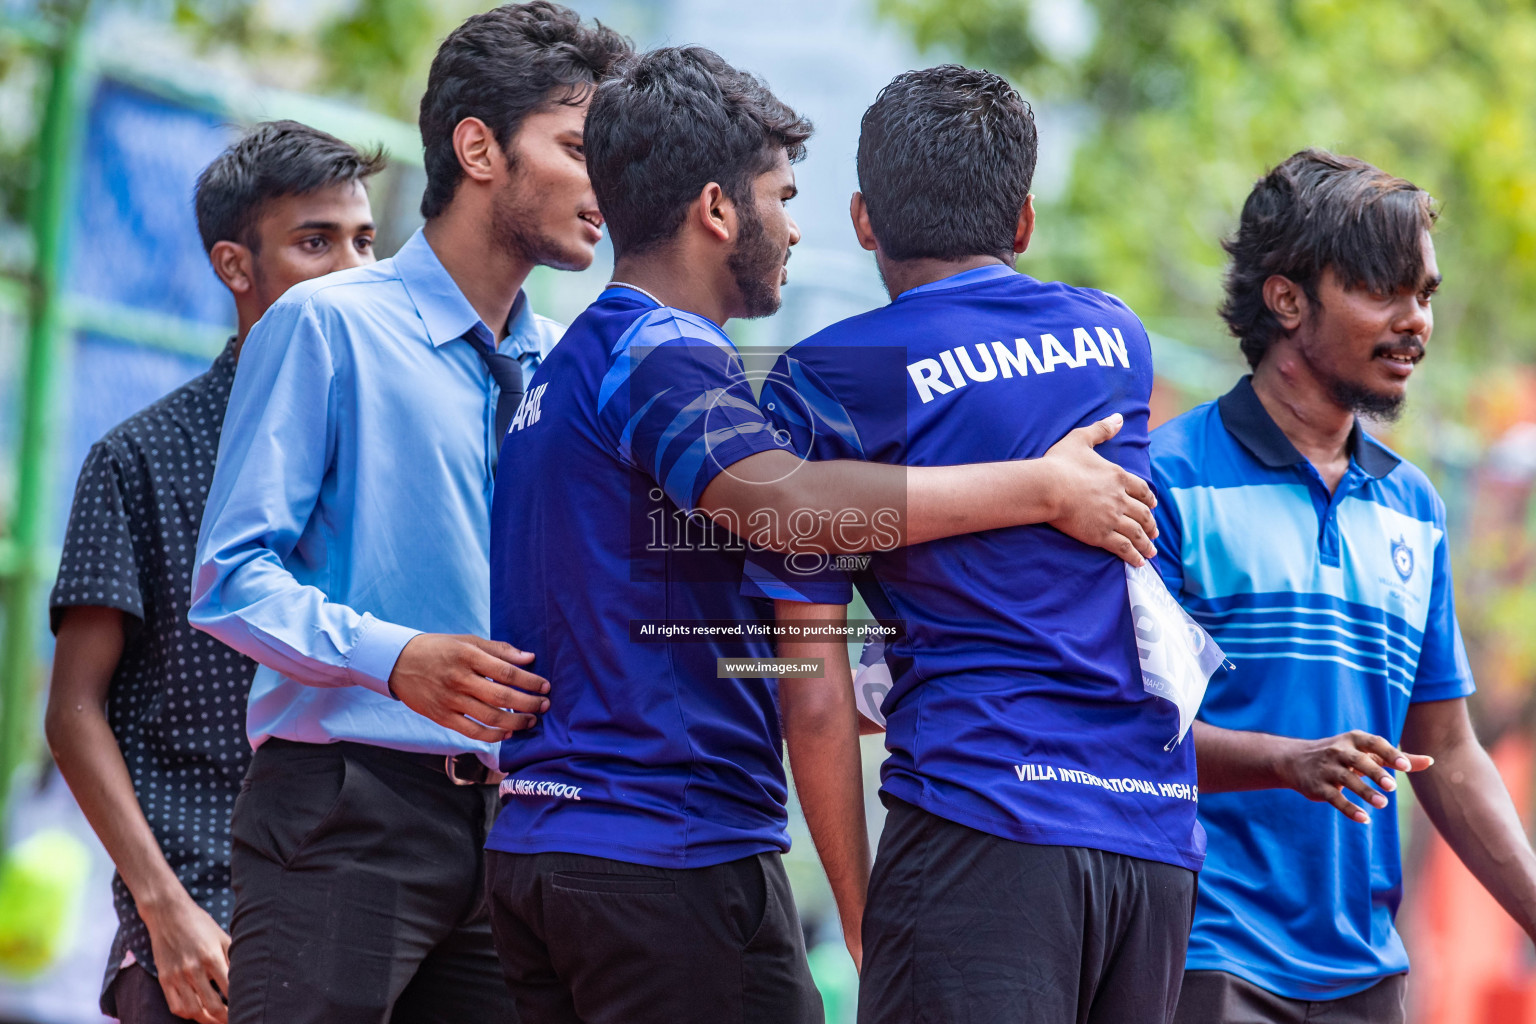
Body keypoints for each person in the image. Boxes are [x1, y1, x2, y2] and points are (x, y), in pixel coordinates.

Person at [482, 48, 1166, 1024]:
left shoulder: (568, 368)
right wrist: (1042, 486)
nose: (795, 226)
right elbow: (794, 508)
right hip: (666, 854)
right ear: (718, 210)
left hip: (553, 849)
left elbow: (676, 632)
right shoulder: (665, 360)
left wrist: (876, 669)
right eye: (780, 194)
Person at [187, 6, 630, 1021]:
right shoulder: (323, 325)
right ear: (478, 147)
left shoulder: (572, 366)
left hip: (520, 822)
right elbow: (230, 577)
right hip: (346, 807)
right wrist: (399, 657)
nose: (602, 184)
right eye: (576, 147)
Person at [741, 66, 1204, 1024]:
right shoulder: (1113, 337)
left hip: (978, 822)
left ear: (865, 222)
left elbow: (812, 688)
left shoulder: (828, 376)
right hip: (1151, 841)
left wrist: (863, 912)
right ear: (1024, 221)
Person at [1154, 149, 1536, 1024]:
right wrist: (1288, 762)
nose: (1415, 323)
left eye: (1426, 295)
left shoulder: (1414, 505)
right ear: (1286, 298)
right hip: (1212, 956)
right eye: (1384, 292)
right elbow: (1138, 736)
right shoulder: (1168, 481)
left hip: (1368, 970)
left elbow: (1448, 747)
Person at [45, 120, 382, 1024]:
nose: (354, 271)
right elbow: (73, 712)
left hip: (387, 905)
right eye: (317, 243)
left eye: (365, 241)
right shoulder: (141, 458)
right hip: (210, 917)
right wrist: (163, 911)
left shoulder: (407, 444)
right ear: (237, 266)